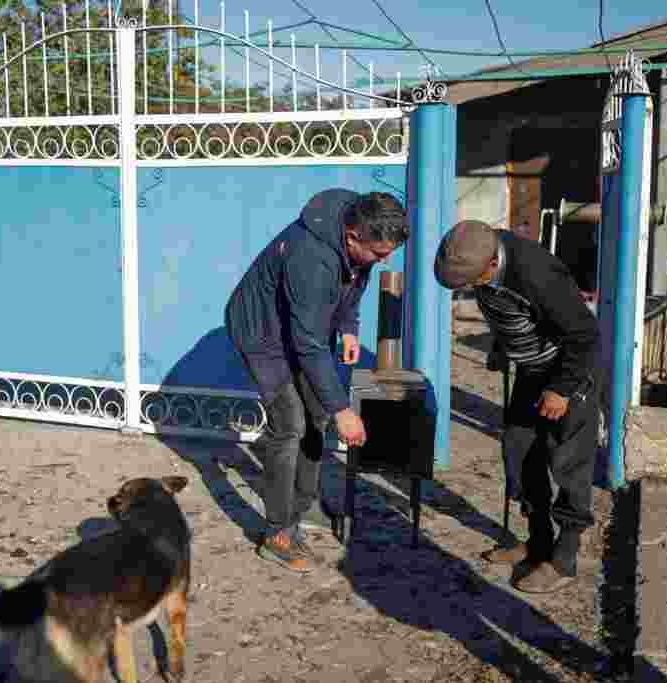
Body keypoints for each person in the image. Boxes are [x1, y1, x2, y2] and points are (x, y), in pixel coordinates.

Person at [225, 189, 409, 573]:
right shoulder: (312, 258)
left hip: (301, 326)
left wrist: (348, 327)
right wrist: (343, 408)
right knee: (290, 423)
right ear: (352, 236)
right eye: (378, 252)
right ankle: (277, 531)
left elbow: (355, 279)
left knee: (316, 416)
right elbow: (308, 344)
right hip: (262, 335)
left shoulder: (360, 224)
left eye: (388, 251)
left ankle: (302, 506)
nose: (385, 259)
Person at [433, 220, 599, 593]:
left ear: (493, 264)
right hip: (530, 367)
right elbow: (502, 306)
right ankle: (538, 542)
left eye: (471, 281)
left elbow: (584, 335)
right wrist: (501, 346)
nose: (470, 287)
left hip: (568, 370)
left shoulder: (538, 276)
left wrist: (561, 390)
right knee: (519, 449)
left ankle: (564, 558)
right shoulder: (480, 251)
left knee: (567, 461)